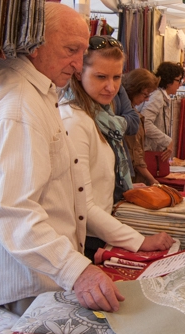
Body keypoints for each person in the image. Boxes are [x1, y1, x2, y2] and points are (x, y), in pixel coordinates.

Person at [0, 3, 128, 314]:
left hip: (4, 277)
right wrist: (77, 270)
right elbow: (14, 211)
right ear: (35, 44)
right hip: (11, 284)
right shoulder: (18, 102)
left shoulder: (2, 83)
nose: (78, 65)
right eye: (70, 50)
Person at [60, 36, 173, 257]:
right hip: (85, 240)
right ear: (78, 72)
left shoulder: (101, 116)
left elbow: (95, 183)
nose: (111, 87)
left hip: (99, 231)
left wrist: (124, 190)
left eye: (117, 77)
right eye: (101, 77)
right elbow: (83, 204)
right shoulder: (75, 122)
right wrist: (140, 241)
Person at [123, 68, 162, 187]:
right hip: (132, 178)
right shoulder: (129, 116)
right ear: (134, 89)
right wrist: (152, 180)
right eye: (145, 95)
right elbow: (135, 155)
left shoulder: (131, 111)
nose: (147, 99)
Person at [141, 61, 185, 163]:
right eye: (178, 80)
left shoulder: (161, 96)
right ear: (169, 81)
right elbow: (145, 123)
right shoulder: (157, 96)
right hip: (148, 153)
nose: (180, 84)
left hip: (151, 151)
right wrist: (166, 140)